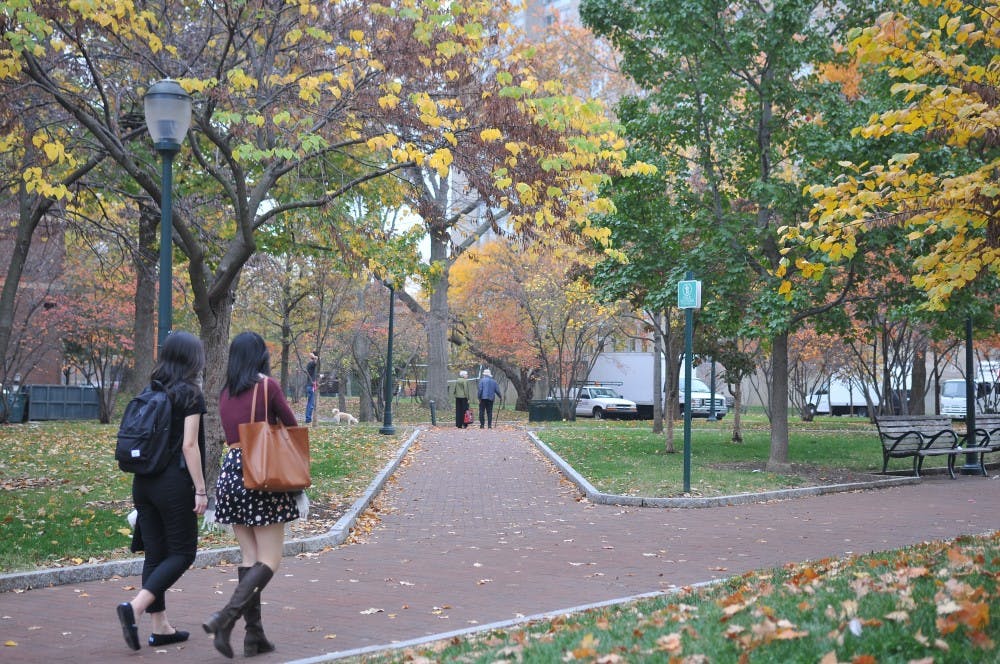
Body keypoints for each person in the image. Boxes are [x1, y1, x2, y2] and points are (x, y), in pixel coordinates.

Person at [204, 331, 305, 658]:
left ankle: (254, 636)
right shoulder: (267, 387)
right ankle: (225, 618)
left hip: (230, 473)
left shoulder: (225, 393)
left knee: (250, 558)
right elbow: (291, 426)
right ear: (260, 356)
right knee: (270, 559)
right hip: (261, 472)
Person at [116, 331, 208, 651]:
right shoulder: (190, 393)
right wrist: (200, 489)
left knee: (155, 555)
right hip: (173, 484)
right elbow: (189, 445)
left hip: (143, 482)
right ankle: (135, 608)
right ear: (191, 359)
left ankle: (161, 628)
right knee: (183, 553)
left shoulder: (151, 388)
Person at [304, 351, 318, 424]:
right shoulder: (311, 364)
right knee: (311, 404)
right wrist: (314, 356)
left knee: (310, 403)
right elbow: (316, 361)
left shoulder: (312, 365)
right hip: (310, 386)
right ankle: (308, 419)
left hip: (311, 386)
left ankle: (308, 418)